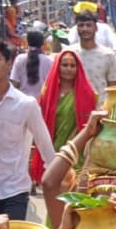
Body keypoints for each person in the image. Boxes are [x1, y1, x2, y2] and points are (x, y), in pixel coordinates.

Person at [0, 39, 55, 222]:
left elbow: (44, 144)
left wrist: (55, 177)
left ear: (8, 63)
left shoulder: (26, 104)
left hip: (16, 189)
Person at [30, 50, 96, 185]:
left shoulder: (87, 93)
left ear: (78, 68)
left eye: (73, 66)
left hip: (76, 153)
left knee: (72, 197)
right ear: (57, 67)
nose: (69, 69)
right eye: (65, 65)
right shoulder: (47, 93)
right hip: (52, 153)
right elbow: (38, 123)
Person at [73, 8, 116, 98]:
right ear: (77, 28)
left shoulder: (108, 55)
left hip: (101, 108)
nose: (85, 29)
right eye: (81, 25)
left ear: (96, 28)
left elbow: (113, 86)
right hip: (76, 108)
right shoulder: (70, 54)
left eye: (88, 25)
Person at [10, 30, 54, 99]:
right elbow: (52, 85)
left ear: (27, 42)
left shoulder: (19, 59)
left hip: (22, 103)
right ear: (43, 44)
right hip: (42, 103)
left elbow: (14, 84)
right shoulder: (49, 61)